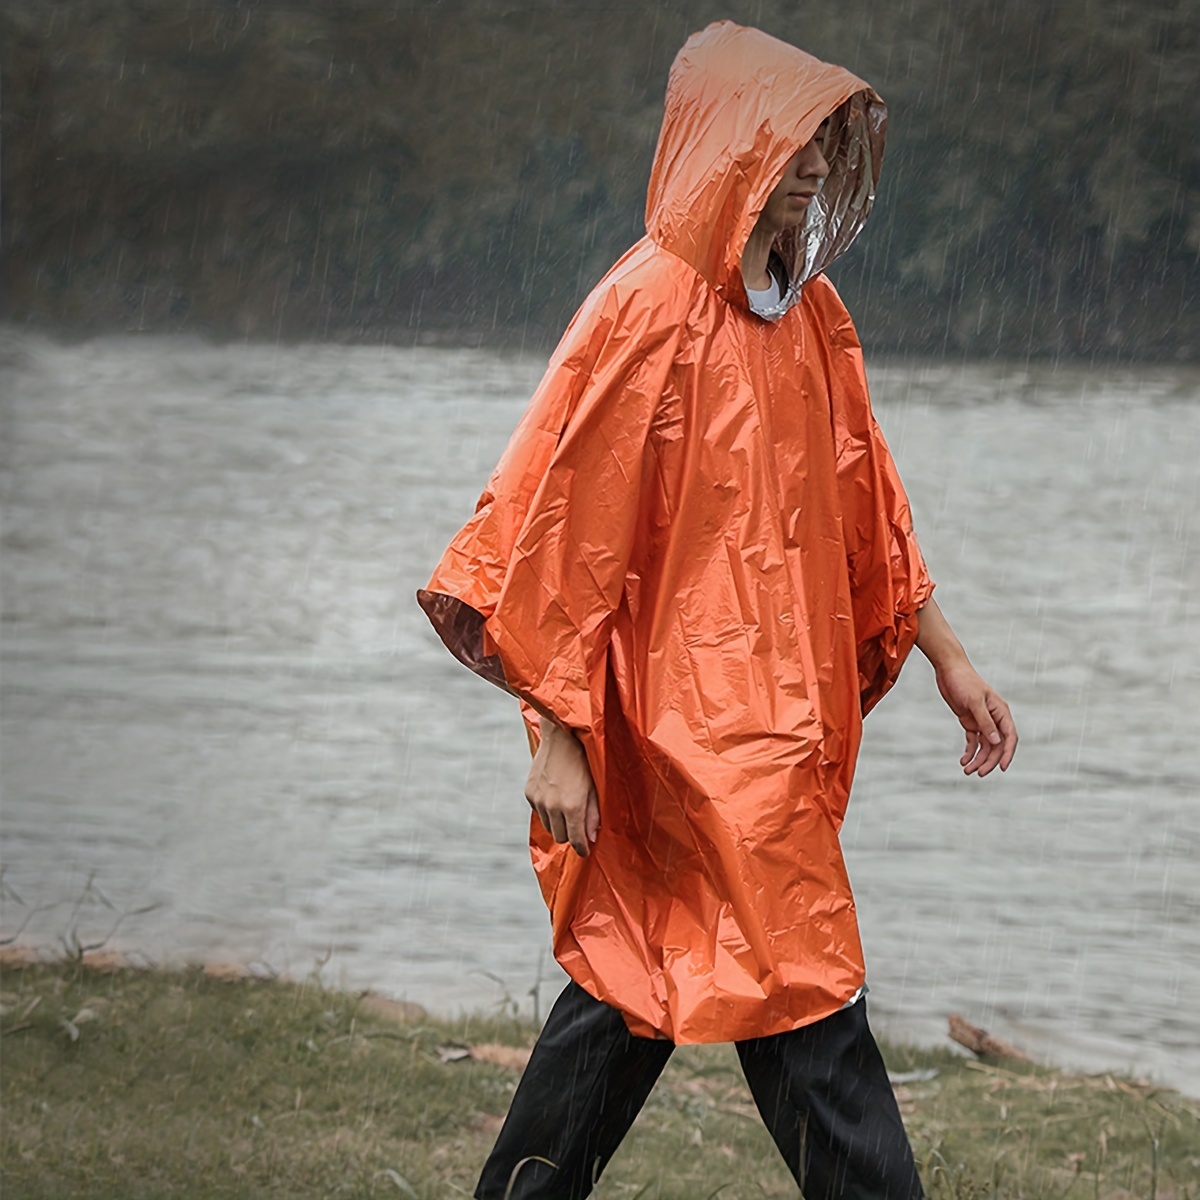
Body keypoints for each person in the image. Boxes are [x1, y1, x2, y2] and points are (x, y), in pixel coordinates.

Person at [418, 20, 1017, 1200]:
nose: (806, 165)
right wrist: (556, 737)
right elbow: (562, 535)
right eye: (787, 140)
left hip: (774, 727)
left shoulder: (812, 318)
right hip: (665, 730)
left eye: (820, 147)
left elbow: (868, 509)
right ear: (726, 146)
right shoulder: (644, 311)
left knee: (632, 987)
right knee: (794, 987)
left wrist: (948, 655)